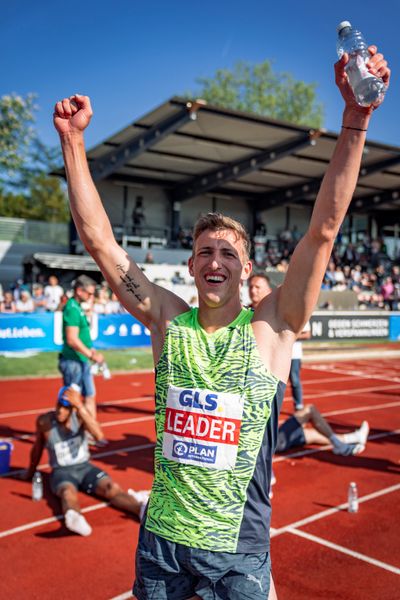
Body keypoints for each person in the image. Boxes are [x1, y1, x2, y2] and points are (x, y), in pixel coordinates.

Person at [53, 45, 389, 600]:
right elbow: (102, 243)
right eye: (205, 252)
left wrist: (355, 119)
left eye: (229, 254)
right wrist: (72, 142)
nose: (215, 261)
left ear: (247, 268)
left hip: (236, 555)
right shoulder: (168, 321)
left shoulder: (273, 326)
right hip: (161, 543)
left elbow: (323, 231)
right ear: (190, 265)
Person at [22, 385, 149, 537]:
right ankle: (74, 518)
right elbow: (37, 449)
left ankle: (141, 511)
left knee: (111, 487)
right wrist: (30, 472)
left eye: (66, 408)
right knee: (68, 493)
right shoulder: (45, 422)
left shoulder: (81, 417)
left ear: (73, 409)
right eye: (59, 406)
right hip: (62, 471)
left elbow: (99, 436)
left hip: (85, 467)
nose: (60, 411)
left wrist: (80, 407)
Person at [248, 273, 310, 410]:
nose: (253, 291)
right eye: (251, 287)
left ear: (269, 290)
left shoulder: (289, 310)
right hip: (257, 357)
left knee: (292, 381)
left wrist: (282, 336)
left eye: (257, 287)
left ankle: (298, 407)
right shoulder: (245, 309)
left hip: (290, 355)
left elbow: (306, 333)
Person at [59, 275, 104, 420]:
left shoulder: (77, 307)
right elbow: (72, 339)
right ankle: (70, 434)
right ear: (79, 291)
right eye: (89, 293)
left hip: (82, 359)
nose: (91, 296)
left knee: (90, 395)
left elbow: (81, 336)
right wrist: (91, 355)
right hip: (73, 361)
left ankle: (91, 430)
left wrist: (90, 351)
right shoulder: (72, 308)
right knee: (72, 400)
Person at [276, 404, 370, 456]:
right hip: (275, 440)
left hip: (275, 438)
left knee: (311, 434)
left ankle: (354, 438)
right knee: (310, 409)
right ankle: (340, 445)